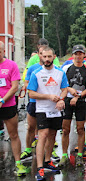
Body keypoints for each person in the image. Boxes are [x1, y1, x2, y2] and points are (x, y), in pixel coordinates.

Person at [28, 47, 68, 180]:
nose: (46, 59)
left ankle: (47, 161)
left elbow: (64, 89)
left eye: (49, 57)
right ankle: (39, 167)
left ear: (54, 57)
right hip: (42, 109)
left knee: (52, 134)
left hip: (56, 110)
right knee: (43, 135)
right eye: (44, 57)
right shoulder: (36, 73)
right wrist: (48, 96)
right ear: (41, 57)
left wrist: (61, 99)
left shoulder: (60, 72)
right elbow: (31, 93)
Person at [0, 41, 29, 176]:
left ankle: (18, 164)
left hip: (8, 104)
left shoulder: (11, 65)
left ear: (3, 51)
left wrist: (2, 100)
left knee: (13, 135)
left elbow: (15, 86)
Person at [59, 45, 86, 167]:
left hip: (81, 101)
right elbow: (61, 83)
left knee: (80, 129)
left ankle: (79, 155)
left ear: (84, 55)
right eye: (76, 54)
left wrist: (77, 97)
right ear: (73, 55)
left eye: (80, 54)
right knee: (65, 129)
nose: (78, 56)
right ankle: (64, 155)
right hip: (67, 100)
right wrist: (69, 89)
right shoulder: (66, 67)